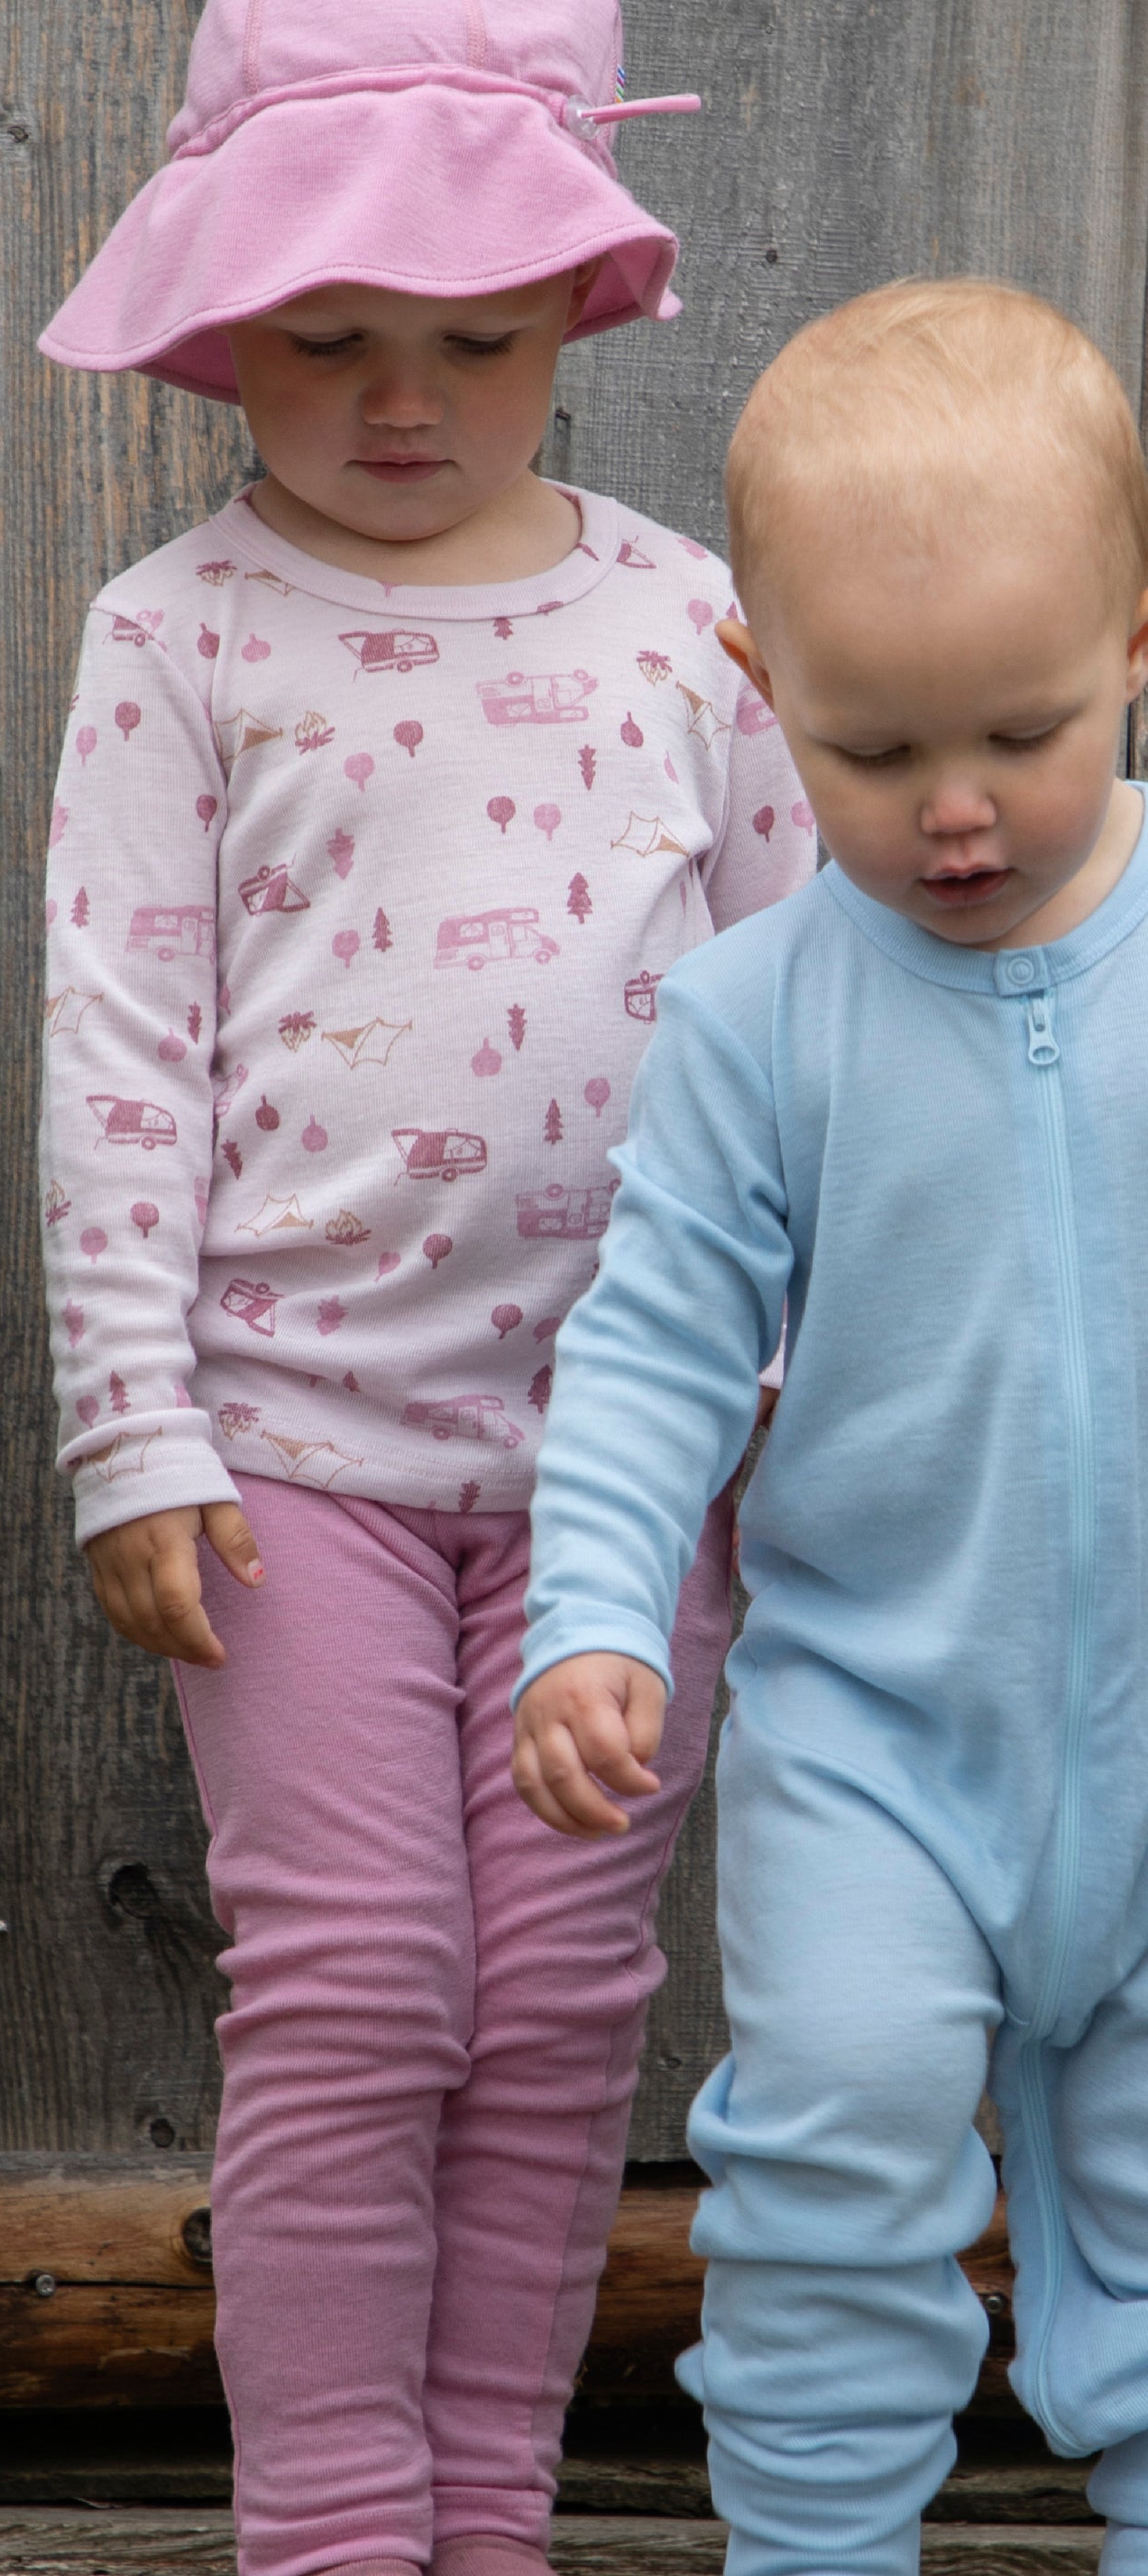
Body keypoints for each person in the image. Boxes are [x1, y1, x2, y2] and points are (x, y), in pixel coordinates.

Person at [37, 9, 813, 2573]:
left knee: (568, 2004)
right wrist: (133, 1428)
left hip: (640, 1462)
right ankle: (335, 2526)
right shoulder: (179, 636)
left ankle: (496, 2509)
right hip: (292, 1473)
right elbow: (122, 1046)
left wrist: (807, 1384)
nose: (402, 402)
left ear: (575, 310)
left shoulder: (691, 625)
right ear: (216, 321)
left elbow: (813, 1026)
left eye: (471, 341)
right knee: (367, 1988)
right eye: (328, 339)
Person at [513, 275, 1148, 2576]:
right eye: (872, 756)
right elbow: (656, 1341)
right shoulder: (759, 1013)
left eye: (1022, 729)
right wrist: (593, 1609)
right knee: (834, 2164)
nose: (955, 808)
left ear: (1137, 643)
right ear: (764, 695)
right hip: (873, 1739)